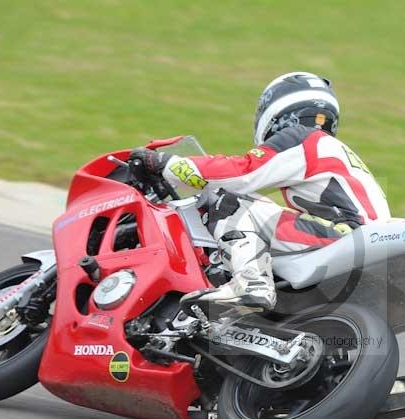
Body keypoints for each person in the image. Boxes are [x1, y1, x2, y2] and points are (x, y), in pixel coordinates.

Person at [128, 71, 390, 313]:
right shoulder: (335, 151)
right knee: (259, 207)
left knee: (228, 200)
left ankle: (251, 283)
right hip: (364, 244)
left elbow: (242, 174)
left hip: (345, 237)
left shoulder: (301, 137)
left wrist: (167, 164)